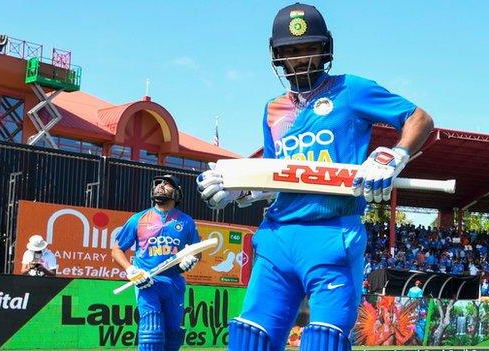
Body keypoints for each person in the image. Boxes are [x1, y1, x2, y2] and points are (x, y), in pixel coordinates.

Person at [196, 3, 434, 351]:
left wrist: (394, 155)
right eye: (291, 51)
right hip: (278, 236)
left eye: (309, 48)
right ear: (278, 56)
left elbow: (420, 119)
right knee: (250, 339)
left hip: (332, 233)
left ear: (326, 49)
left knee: (325, 341)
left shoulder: (350, 90)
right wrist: (241, 187)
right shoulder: (273, 109)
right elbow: (277, 173)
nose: (301, 59)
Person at [111, 174, 201, 351]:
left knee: (174, 334)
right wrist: (131, 270)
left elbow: (197, 252)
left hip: (174, 283)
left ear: (177, 193)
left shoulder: (186, 222)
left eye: (167, 185)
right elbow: (116, 250)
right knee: (151, 332)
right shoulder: (138, 219)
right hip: (147, 282)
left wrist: (191, 259)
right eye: (158, 183)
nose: (160, 186)